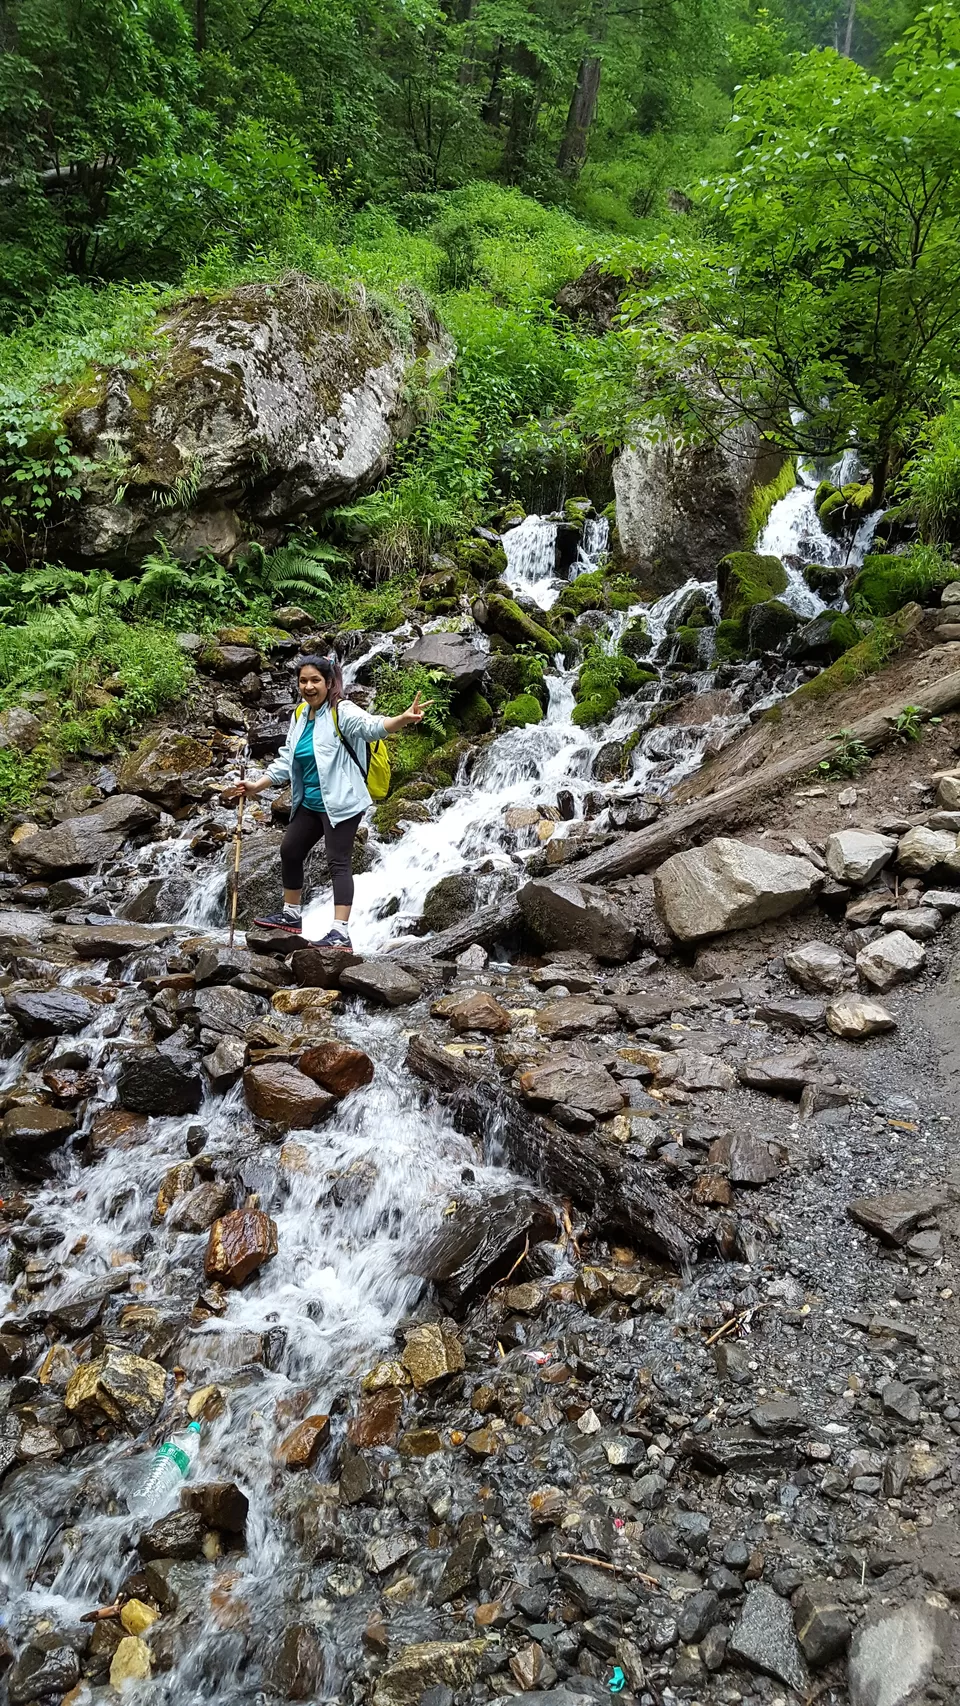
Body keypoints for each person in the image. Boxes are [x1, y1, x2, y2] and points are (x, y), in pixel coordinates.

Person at [238, 654, 432, 949]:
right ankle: (291, 916)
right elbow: (288, 759)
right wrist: (256, 785)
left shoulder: (343, 710)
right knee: (290, 850)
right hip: (311, 802)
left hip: (342, 802)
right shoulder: (301, 715)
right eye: (303, 680)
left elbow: (373, 728)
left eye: (315, 680)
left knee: (337, 861)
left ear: (329, 683)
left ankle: (340, 932)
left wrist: (403, 719)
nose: (308, 686)